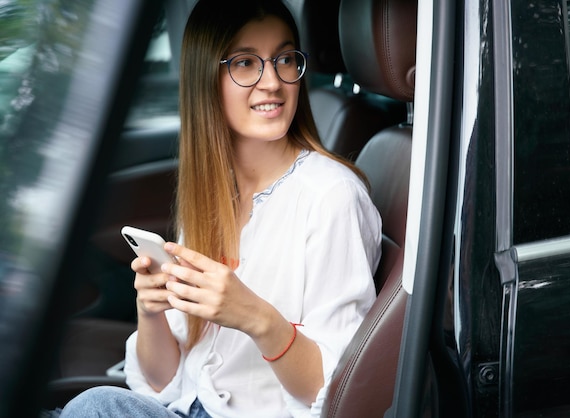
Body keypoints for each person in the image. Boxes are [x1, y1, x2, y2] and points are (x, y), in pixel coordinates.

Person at [53, 0, 381, 416]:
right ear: (205, 79)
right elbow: (163, 384)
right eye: (245, 63)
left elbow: (337, 391)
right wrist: (151, 311)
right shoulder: (213, 190)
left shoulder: (332, 196)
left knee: (94, 407)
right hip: (189, 406)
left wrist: (257, 318)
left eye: (283, 59)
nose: (272, 82)